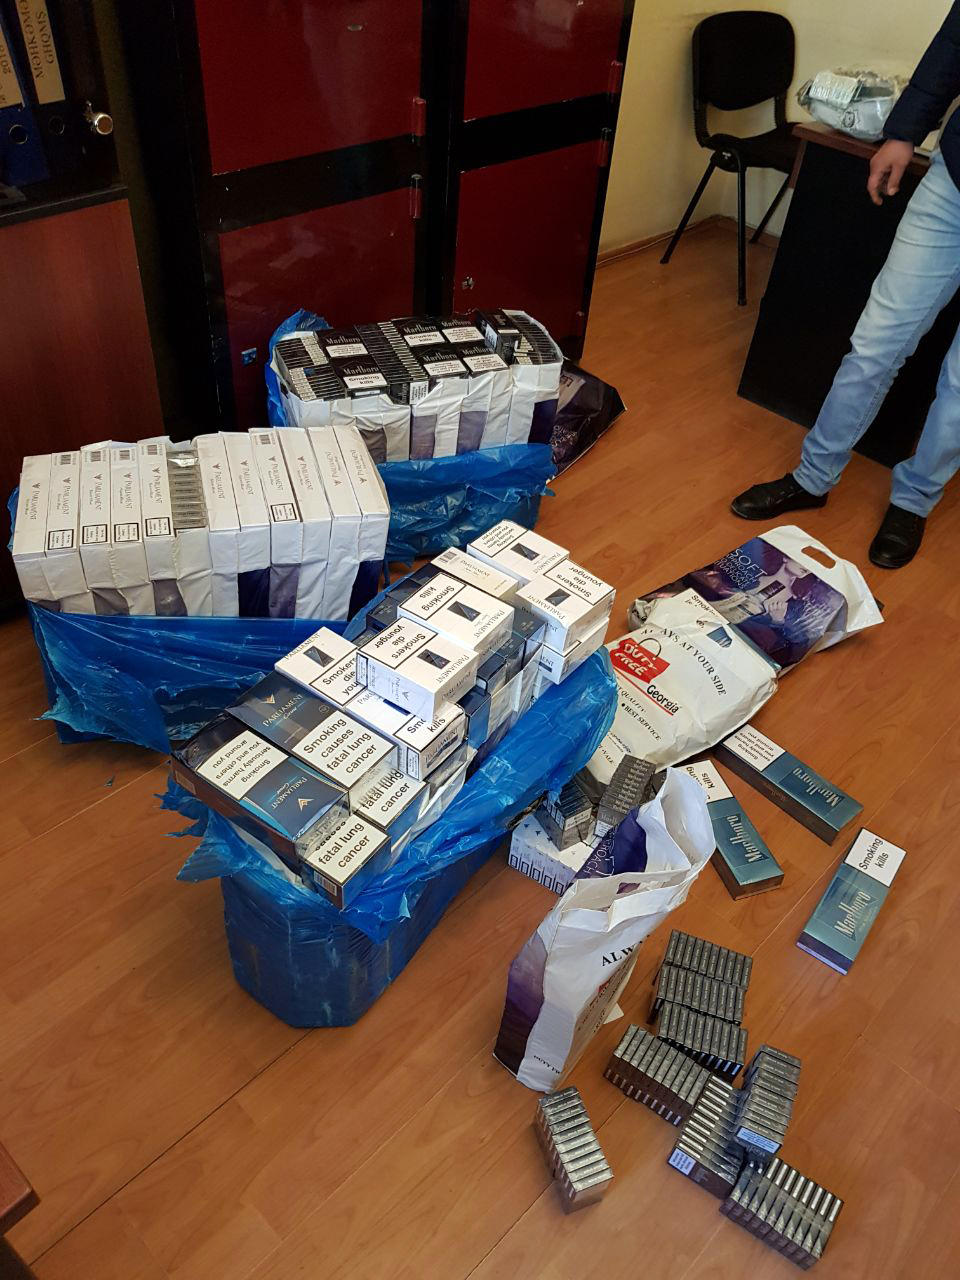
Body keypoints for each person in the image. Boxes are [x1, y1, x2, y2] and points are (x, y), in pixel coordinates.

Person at [732, 3, 960, 568]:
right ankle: (813, 478)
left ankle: (913, 501)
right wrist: (903, 133)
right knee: (875, 344)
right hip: (954, 188)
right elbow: (953, 46)